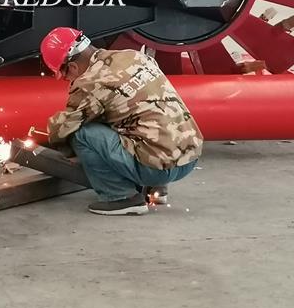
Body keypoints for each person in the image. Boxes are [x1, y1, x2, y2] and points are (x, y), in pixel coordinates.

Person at [40, 27, 202, 216]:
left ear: (73, 67)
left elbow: (64, 128)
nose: (67, 80)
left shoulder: (89, 84)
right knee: (133, 118)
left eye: (65, 75)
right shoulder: (133, 56)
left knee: (82, 134)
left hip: (156, 168)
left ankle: (121, 197)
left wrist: (59, 145)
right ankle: (156, 190)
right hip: (191, 156)